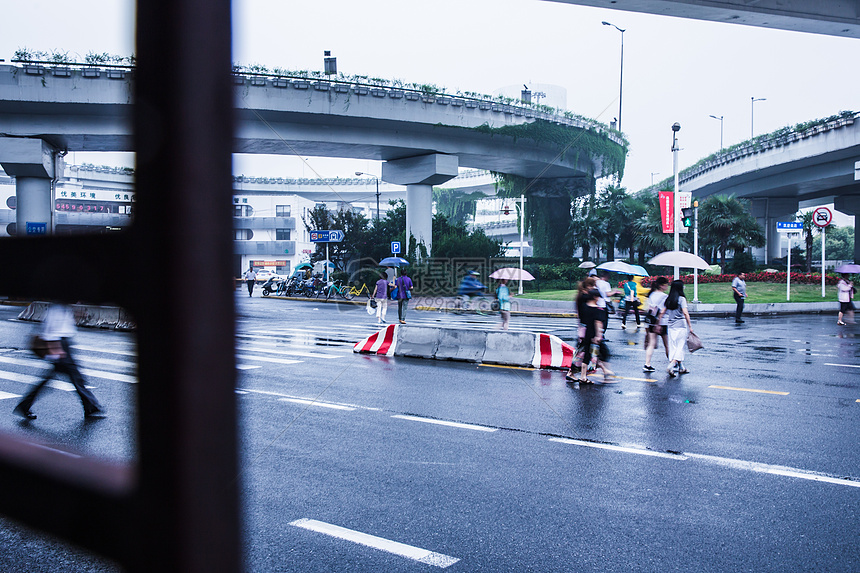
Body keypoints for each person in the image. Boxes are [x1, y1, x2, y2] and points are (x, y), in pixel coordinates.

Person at [14, 303, 104, 420]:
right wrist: (56, 349)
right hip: (59, 344)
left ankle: (25, 405)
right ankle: (90, 406)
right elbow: (50, 330)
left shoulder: (65, 307)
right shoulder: (57, 307)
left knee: (63, 378)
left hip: (63, 343)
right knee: (76, 377)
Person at [567, 288, 613, 384]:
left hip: (583, 333)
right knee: (590, 355)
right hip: (592, 335)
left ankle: (580, 374)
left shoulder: (584, 306)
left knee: (583, 354)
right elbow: (598, 323)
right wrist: (598, 335)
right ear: (595, 297)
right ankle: (583, 377)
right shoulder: (597, 310)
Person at [658, 280, 695, 377]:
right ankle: (671, 365)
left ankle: (681, 367)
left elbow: (662, 312)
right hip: (681, 326)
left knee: (673, 346)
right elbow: (686, 313)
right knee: (680, 347)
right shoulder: (681, 299)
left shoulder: (668, 299)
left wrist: (658, 322)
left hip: (670, 326)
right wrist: (690, 326)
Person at [643, 277, 670, 372]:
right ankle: (672, 363)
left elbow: (649, 309)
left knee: (651, 343)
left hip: (651, 321)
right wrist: (658, 323)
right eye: (666, 284)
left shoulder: (651, 294)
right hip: (661, 322)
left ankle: (647, 364)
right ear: (661, 286)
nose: (667, 286)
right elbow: (663, 311)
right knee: (667, 344)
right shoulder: (664, 296)